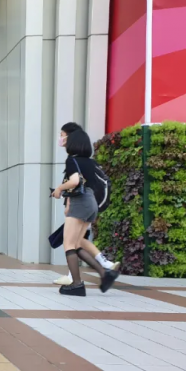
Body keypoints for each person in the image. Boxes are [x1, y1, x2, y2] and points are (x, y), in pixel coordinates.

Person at [52, 123, 119, 296]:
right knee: (77, 243)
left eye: (62, 135)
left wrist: (59, 189)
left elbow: (74, 181)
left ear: (72, 140)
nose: (61, 138)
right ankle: (104, 274)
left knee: (69, 244)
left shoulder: (72, 160)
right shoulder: (90, 162)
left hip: (80, 203)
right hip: (91, 203)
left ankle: (77, 284)